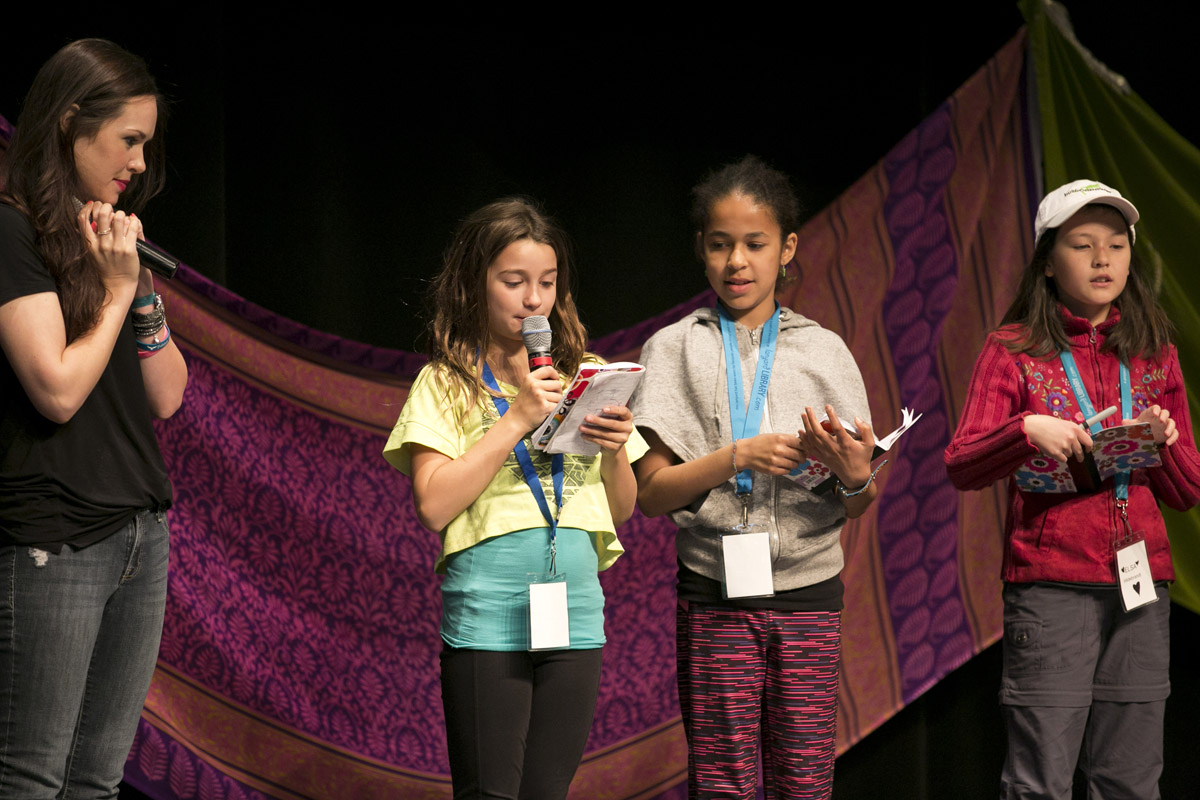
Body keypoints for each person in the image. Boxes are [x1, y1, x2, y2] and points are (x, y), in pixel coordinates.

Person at [631, 156, 881, 799]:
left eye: (754, 244)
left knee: (805, 781)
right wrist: (733, 458)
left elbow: (857, 500)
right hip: (715, 592)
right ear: (701, 250)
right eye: (720, 245)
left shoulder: (822, 350)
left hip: (809, 593)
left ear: (787, 248)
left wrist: (855, 478)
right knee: (723, 781)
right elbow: (652, 495)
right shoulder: (673, 349)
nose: (736, 261)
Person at [944, 179, 1200, 799]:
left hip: (1140, 589)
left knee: (1132, 780)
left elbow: (1188, 489)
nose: (1103, 259)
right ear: (1048, 260)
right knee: (1040, 783)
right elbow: (962, 464)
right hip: (1052, 586)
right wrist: (1024, 429)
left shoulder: (1151, 352)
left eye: (1116, 244)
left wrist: (1160, 444)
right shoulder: (1013, 351)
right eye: (1083, 245)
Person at [382, 198, 645, 799]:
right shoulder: (446, 380)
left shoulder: (587, 376)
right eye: (514, 282)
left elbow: (623, 510)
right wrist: (517, 418)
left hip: (574, 615)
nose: (534, 301)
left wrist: (612, 449)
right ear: (477, 285)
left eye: (547, 283)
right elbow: (433, 505)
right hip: (488, 616)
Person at [0, 39, 187, 797]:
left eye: (145, 143)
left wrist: (137, 290)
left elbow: (167, 394)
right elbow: (56, 390)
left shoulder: (109, 244)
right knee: (33, 779)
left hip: (139, 534)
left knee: (97, 782)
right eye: (128, 140)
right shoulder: (11, 234)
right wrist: (112, 291)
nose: (139, 162)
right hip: (57, 536)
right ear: (73, 123)